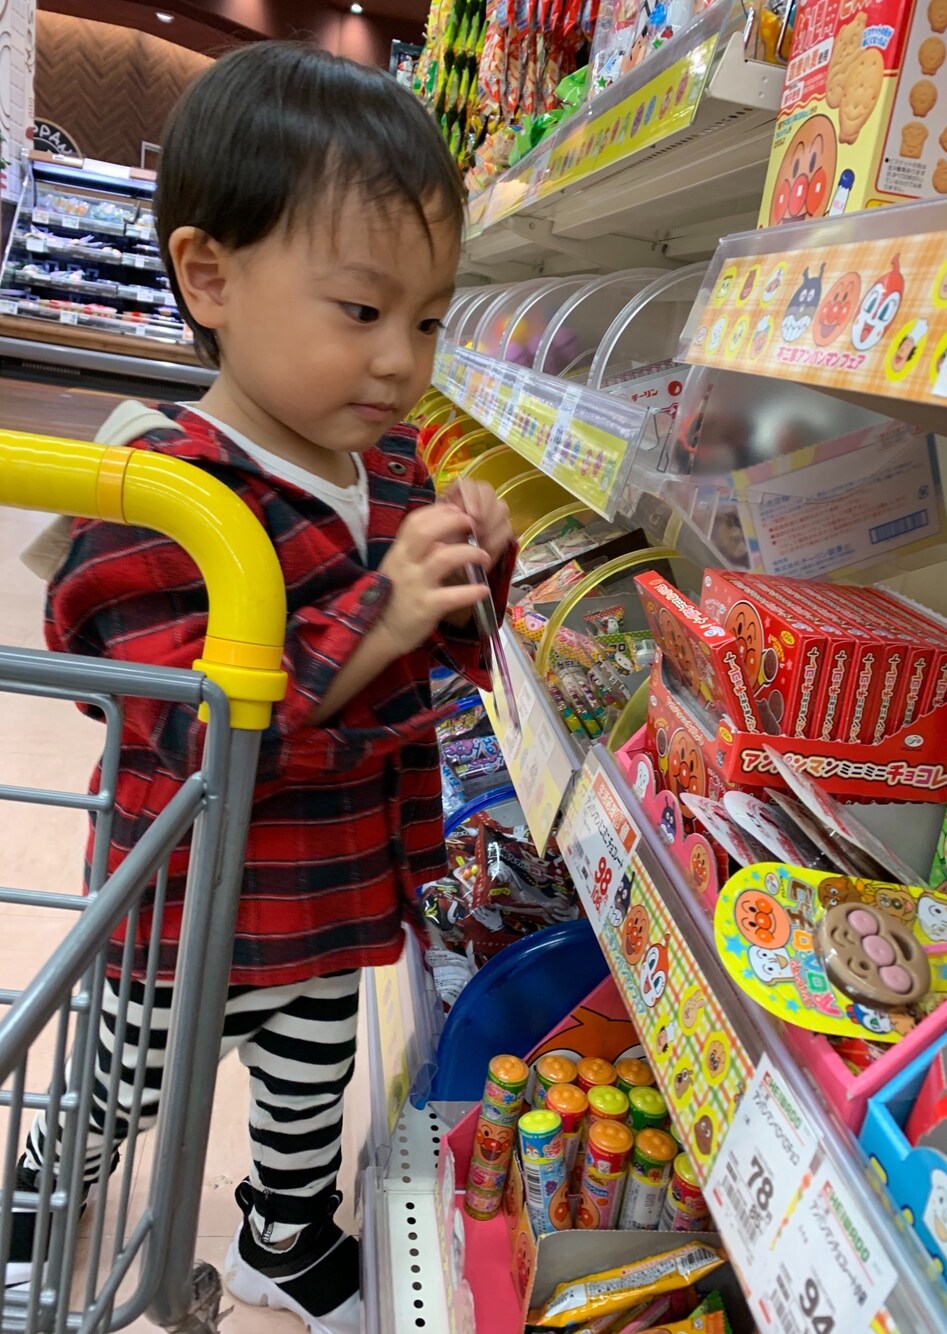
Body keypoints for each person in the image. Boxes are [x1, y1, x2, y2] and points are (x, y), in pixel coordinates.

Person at [10, 44, 514, 1333]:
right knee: (120, 1082)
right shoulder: (160, 484)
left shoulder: (389, 472)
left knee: (310, 1078)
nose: (401, 361)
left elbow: (434, 673)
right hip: (185, 905)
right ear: (211, 278)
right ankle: (39, 1185)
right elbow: (184, 725)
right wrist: (380, 608)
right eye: (362, 311)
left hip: (331, 883)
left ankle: (281, 1233)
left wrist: (469, 574)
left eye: (428, 319)